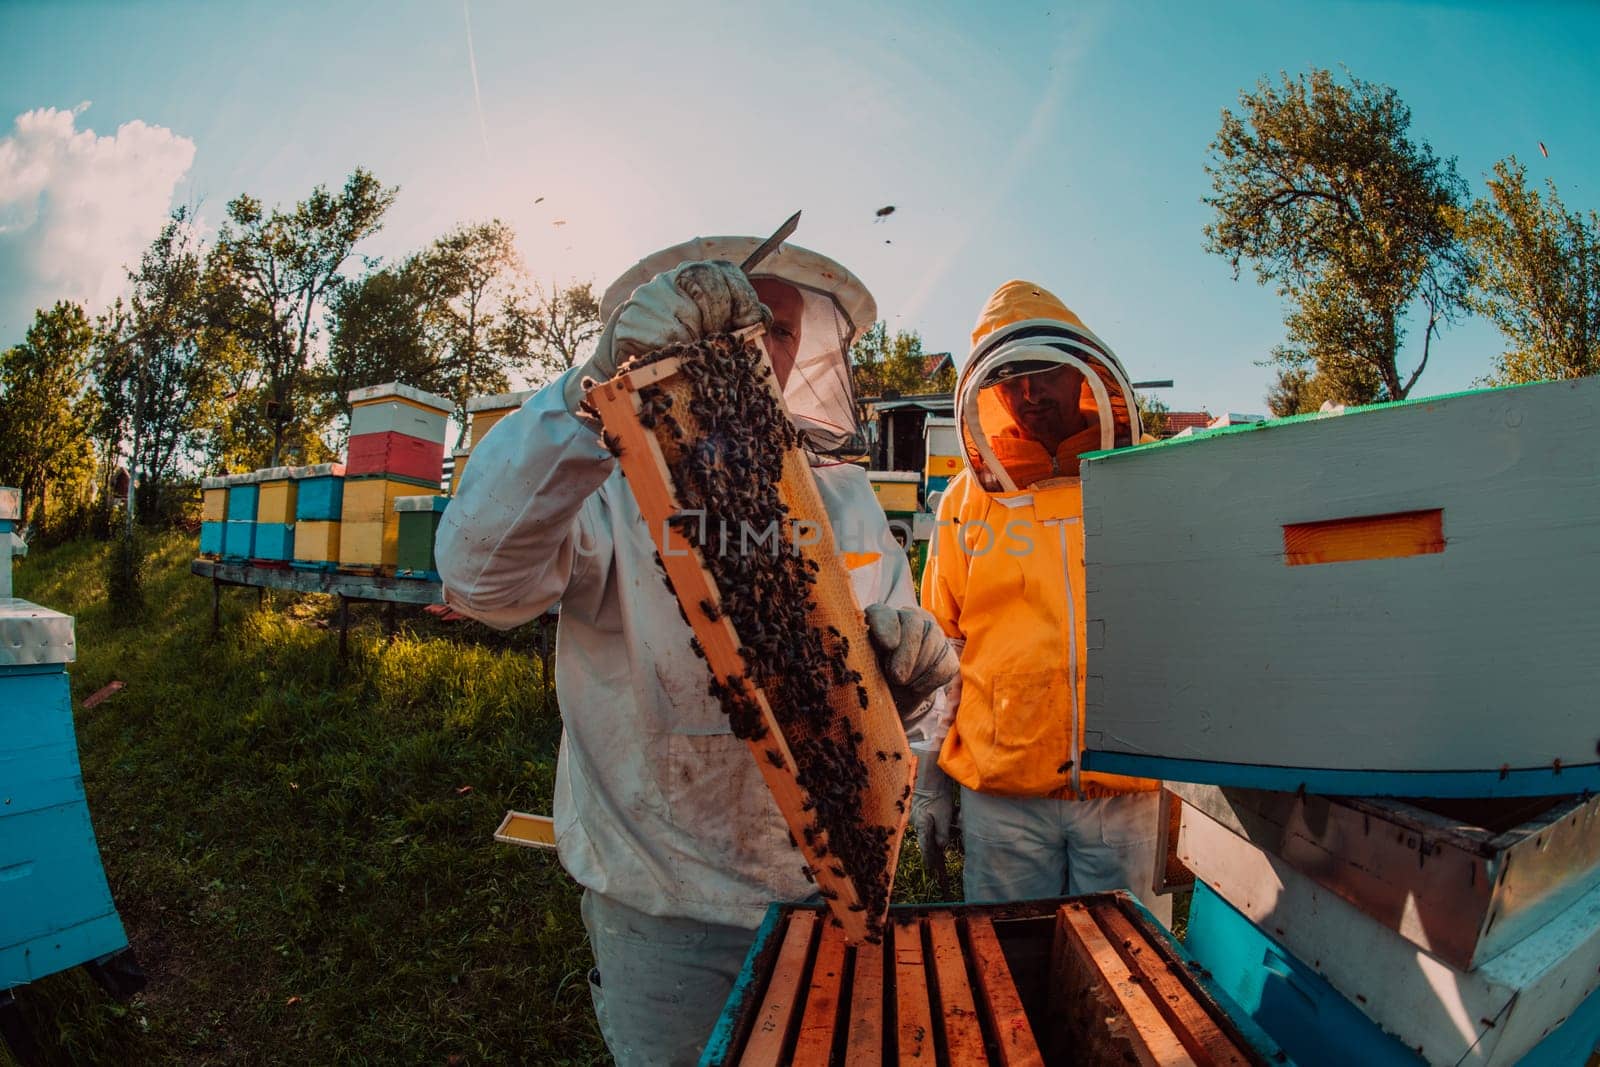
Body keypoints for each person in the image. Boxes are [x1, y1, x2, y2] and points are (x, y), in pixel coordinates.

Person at [434, 237, 956, 1066]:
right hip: (661, 902)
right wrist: (584, 393)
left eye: (780, 326)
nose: (759, 339)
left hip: (827, 894)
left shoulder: (849, 501)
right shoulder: (605, 477)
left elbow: (907, 714)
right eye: (737, 313)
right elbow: (481, 578)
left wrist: (919, 683)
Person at [914, 280, 1171, 922]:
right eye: (1009, 379)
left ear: (1081, 372)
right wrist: (928, 779)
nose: (1029, 394)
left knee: (1131, 983)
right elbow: (941, 647)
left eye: (1042, 373)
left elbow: (1191, 630)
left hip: (1127, 793)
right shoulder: (964, 503)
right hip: (1004, 796)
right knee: (1007, 972)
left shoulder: (1151, 483)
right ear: (987, 394)